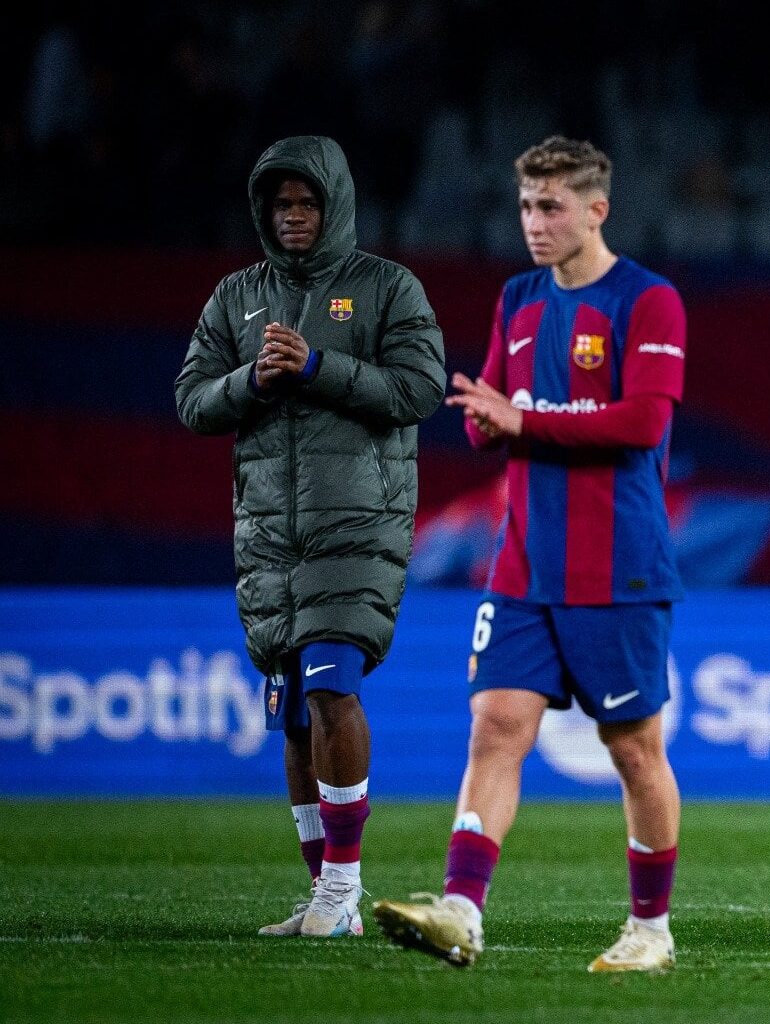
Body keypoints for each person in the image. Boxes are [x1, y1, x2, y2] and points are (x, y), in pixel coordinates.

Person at [373, 137, 690, 970]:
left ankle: (650, 930)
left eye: (551, 207)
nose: (534, 223)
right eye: (525, 206)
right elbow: (500, 410)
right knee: (495, 727)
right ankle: (460, 911)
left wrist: (522, 421)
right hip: (523, 561)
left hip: (618, 563)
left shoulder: (648, 302)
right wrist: (487, 424)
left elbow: (643, 424)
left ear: (597, 209)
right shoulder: (517, 298)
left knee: (632, 748)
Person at [174, 135, 446, 937]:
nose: (293, 217)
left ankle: (342, 890)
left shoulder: (386, 287)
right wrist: (247, 381)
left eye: (307, 203)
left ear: (335, 206)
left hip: (356, 524)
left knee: (332, 689)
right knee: (293, 715)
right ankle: (325, 895)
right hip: (268, 537)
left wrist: (316, 367)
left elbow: (422, 388)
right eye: (280, 204)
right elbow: (192, 400)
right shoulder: (235, 297)